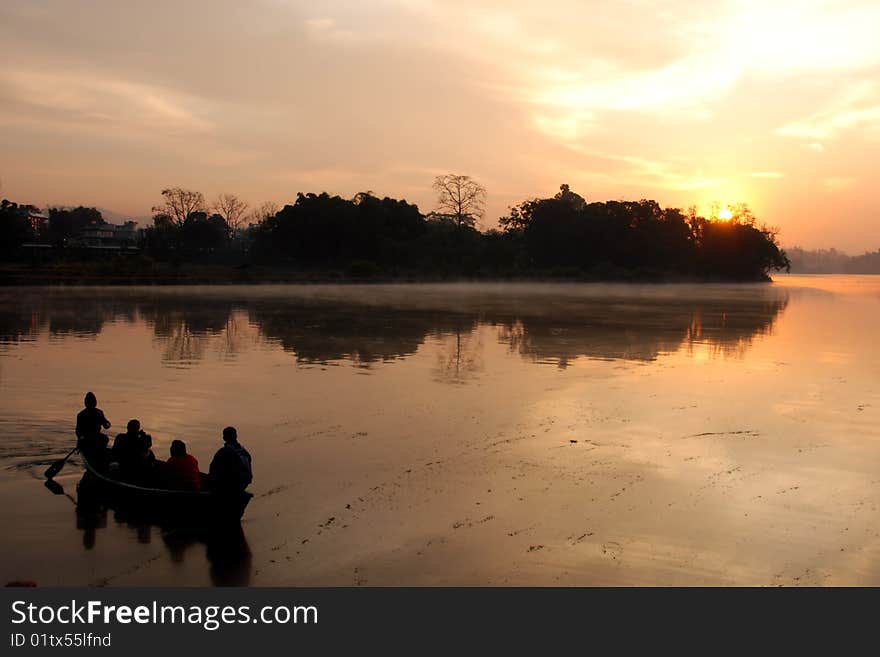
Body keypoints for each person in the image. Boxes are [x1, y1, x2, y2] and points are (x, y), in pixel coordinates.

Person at [208, 427, 252, 494]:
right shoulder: (245, 453)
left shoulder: (223, 452)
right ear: (236, 436)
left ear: (224, 438)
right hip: (243, 485)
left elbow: (212, 470)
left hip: (230, 485)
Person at [75, 392, 111, 465]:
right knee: (96, 442)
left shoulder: (99, 412)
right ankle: (95, 454)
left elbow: (106, 423)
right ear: (86, 403)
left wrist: (107, 424)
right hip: (86, 438)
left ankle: (100, 454)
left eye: (93, 402)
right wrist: (80, 438)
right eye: (90, 402)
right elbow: (78, 430)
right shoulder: (81, 415)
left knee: (105, 438)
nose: (92, 403)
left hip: (97, 435)